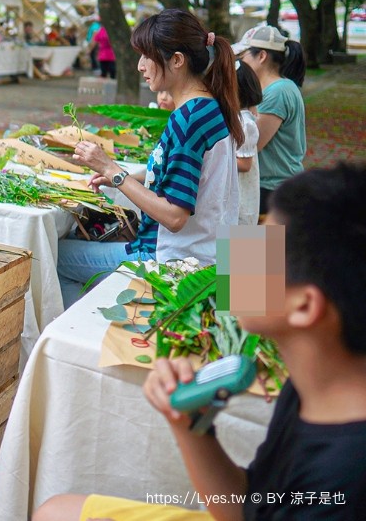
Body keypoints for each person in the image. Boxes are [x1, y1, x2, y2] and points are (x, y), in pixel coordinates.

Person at [33, 164, 366, 521]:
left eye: (265, 248)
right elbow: (250, 506)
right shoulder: (313, 386)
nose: (242, 254)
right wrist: (191, 426)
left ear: (305, 306)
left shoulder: (345, 477)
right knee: (55, 511)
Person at [55, 9, 242, 309]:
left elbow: (175, 217)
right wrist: (123, 176)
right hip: (211, 249)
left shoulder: (188, 119)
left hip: (173, 261)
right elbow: (186, 173)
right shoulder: (209, 106)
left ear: (177, 60)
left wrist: (113, 171)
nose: (140, 65)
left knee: (58, 257)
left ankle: (81, 329)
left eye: (147, 56)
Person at [231, 26, 306, 215]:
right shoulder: (275, 89)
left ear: (262, 56)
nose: (238, 62)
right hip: (270, 187)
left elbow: (251, 146)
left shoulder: (278, 92)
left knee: (249, 236)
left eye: (242, 56)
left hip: (272, 189)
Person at [236, 60, 262, 226]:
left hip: (243, 200)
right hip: (234, 197)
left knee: (242, 239)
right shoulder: (236, 119)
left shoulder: (245, 124)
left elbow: (245, 164)